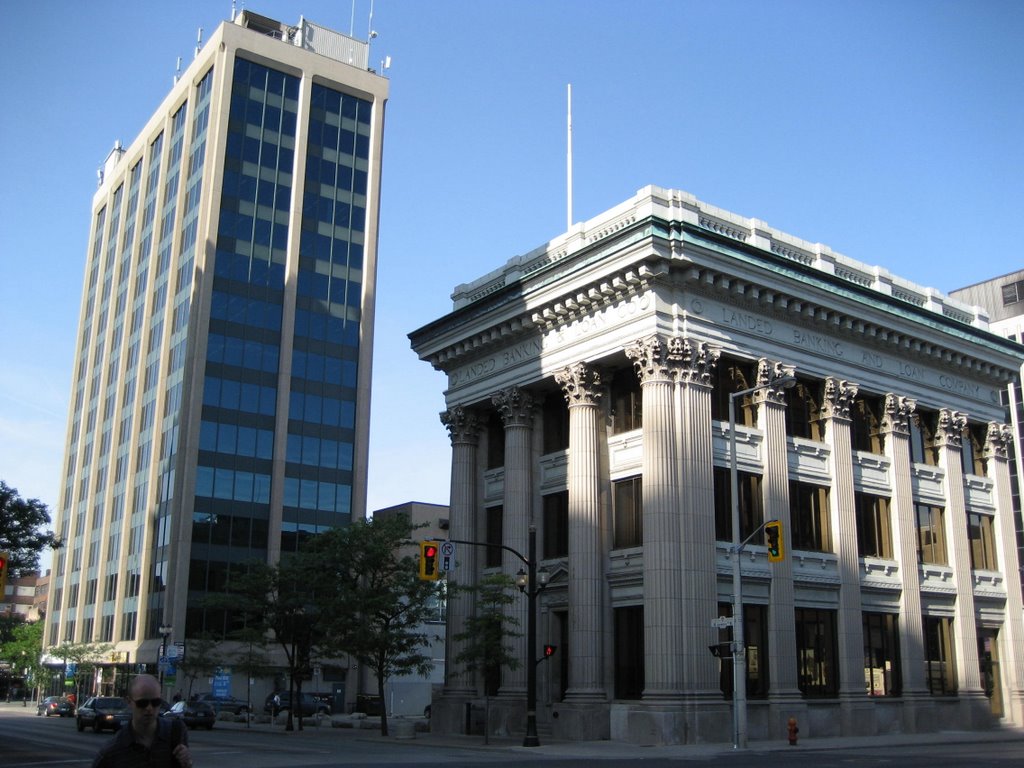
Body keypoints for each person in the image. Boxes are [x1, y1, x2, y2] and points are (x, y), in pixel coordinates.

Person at [92, 674, 193, 768]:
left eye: (155, 702)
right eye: (142, 703)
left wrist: (187, 763)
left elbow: (184, 763)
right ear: (129, 702)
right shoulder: (113, 749)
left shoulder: (176, 731)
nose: (149, 708)